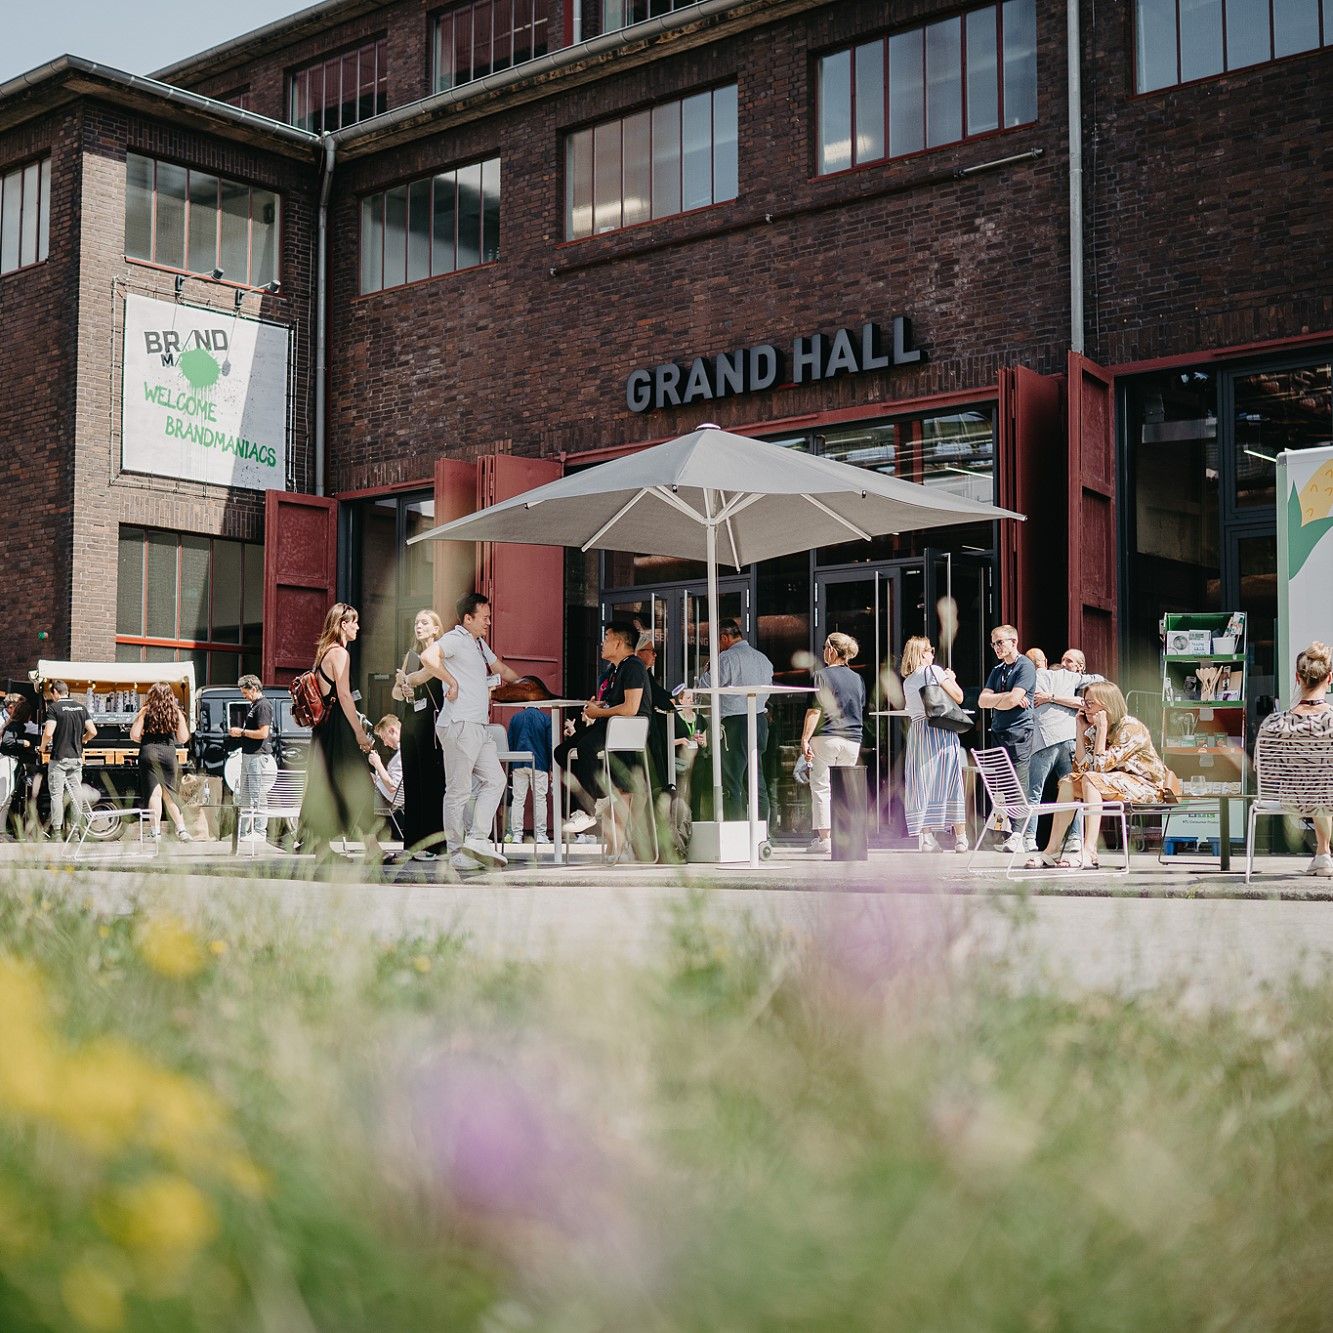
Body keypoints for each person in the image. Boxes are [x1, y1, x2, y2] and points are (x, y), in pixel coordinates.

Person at [1030, 681, 1174, 870]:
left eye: (1090, 703)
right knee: (1067, 782)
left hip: (1147, 786)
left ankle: (1090, 851)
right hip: (1112, 782)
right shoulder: (1092, 729)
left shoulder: (1130, 727)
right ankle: (1052, 850)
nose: (1084, 707)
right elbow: (1080, 770)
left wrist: (1102, 728)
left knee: (1091, 779)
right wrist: (1079, 732)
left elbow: (1099, 768)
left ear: (1107, 705)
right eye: (1084, 702)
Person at [435, 592, 521, 872]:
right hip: (460, 724)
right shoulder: (455, 639)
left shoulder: (479, 644)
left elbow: (501, 669)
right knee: (458, 792)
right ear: (467, 618)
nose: (489, 622)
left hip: (478, 726)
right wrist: (452, 682)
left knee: (496, 780)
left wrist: (527, 686)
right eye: (484, 618)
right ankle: (456, 852)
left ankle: (477, 839)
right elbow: (428, 656)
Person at [298, 603, 383, 863]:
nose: (358, 627)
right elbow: (344, 695)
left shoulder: (325, 652)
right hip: (340, 726)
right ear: (343, 625)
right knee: (359, 783)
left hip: (325, 728)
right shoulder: (340, 654)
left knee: (329, 784)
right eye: (354, 622)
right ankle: (371, 849)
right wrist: (359, 732)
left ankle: (324, 849)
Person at [559, 622, 653, 838]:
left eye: (607, 637)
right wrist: (597, 707)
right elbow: (615, 703)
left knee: (585, 747)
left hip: (626, 730)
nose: (602, 643)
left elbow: (631, 708)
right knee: (562, 751)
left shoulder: (634, 666)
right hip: (610, 725)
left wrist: (597, 713)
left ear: (619, 642)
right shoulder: (615, 670)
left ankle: (591, 806)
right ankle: (598, 795)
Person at [1257, 641, 1333, 877]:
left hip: (1294, 799)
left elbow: (1266, 773)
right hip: (1328, 796)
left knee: (1319, 788)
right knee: (1324, 789)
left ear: (1298, 679)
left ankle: (1323, 854)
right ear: (1329, 678)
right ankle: (1323, 853)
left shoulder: (1274, 723)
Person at [1026, 648, 1103, 856]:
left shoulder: (1078, 683)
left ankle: (1063, 838)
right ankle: (1047, 839)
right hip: (1060, 740)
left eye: (1069, 661)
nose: (1065, 663)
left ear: (1080, 666)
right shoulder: (1056, 677)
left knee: (1069, 791)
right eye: (1062, 659)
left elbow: (1093, 691)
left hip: (1074, 742)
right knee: (1066, 792)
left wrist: (1051, 697)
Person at [393, 609, 457, 860]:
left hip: (432, 722)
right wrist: (404, 688)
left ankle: (436, 843)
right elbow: (396, 695)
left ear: (435, 628)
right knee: (412, 781)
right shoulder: (410, 656)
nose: (419, 626)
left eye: (424, 623)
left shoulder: (440, 653)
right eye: (416, 622)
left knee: (432, 782)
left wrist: (410, 681)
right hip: (411, 722)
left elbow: (427, 676)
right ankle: (413, 844)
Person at [696, 620, 774, 821]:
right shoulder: (763, 659)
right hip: (758, 720)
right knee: (757, 780)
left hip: (735, 723)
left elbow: (706, 687)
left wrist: (707, 669)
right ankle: (762, 833)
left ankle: (734, 833)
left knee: (732, 780)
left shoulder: (726, 658)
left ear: (724, 637)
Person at [898, 636, 969, 853]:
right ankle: (961, 838)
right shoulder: (935, 671)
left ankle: (927, 837)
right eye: (929, 650)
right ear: (922, 653)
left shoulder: (907, 681)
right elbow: (959, 697)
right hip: (941, 730)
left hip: (919, 733)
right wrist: (951, 678)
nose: (932, 653)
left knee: (922, 783)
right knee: (951, 780)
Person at [799, 631, 866, 855]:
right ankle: (846, 836)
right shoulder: (858, 679)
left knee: (821, 787)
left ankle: (825, 839)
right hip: (852, 739)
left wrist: (805, 739)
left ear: (832, 650)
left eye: (825, 647)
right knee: (845, 790)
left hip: (826, 737)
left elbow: (814, 710)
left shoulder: (821, 676)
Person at [978, 624, 1036, 854]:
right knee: (1000, 785)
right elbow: (983, 701)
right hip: (998, 730)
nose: (996, 647)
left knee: (1018, 784)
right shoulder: (998, 670)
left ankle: (1019, 835)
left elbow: (1015, 700)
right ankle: (1007, 831)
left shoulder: (1025, 666)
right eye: (993, 643)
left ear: (1014, 641)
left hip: (1019, 731)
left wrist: (1001, 699)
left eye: (1000, 642)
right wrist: (1006, 698)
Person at [130, 682, 192, 842]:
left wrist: (145, 733)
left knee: (154, 794)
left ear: (152, 695)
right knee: (170, 793)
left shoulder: (145, 710)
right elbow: (183, 738)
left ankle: (156, 833)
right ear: (170, 695)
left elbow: (134, 735)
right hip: (168, 753)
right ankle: (182, 830)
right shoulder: (176, 712)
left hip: (148, 752)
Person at [41, 681, 96, 839]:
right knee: (76, 795)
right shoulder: (81, 708)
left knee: (57, 795)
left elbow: (48, 733)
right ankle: (75, 834)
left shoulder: (54, 708)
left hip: (59, 759)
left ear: (56, 693)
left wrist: (42, 747)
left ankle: (57, 833)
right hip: (76, 758)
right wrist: (83, 740)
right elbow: (93, 731)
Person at [228, 674, 275, 843]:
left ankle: (260, 831)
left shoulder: (263, 706)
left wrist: (241, 732)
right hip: (249, 755)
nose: (244, 696)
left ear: (254, 689)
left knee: (258, 794)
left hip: (257, 756)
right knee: (246, 795)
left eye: (245, 693)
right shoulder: (255, 705)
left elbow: (263, 733)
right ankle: (244, 831)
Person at [505, 705, 553, 844]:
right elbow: (549, 744)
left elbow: (510, 743)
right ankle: (541, 834)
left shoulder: (516, 718)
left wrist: (510, 768)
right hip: (539, 763)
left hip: (518, 763)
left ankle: (517, 835)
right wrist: (550, 767)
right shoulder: (545, 718)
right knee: (539, 799)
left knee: (518, 799)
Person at [635, 632, 674, 790]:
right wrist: (672, 699)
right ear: (639, 653)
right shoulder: (640, 673)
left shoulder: (644, 673)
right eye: (651, 651)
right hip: (643, 732)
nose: (655, 655)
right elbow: (661, 699)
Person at [368, 714, 403, 803]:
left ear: (392, 730)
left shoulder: (402, 753)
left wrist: (378, 764)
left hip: (395, 799)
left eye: (384, 738)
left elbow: (392, 788)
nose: (385, 744)